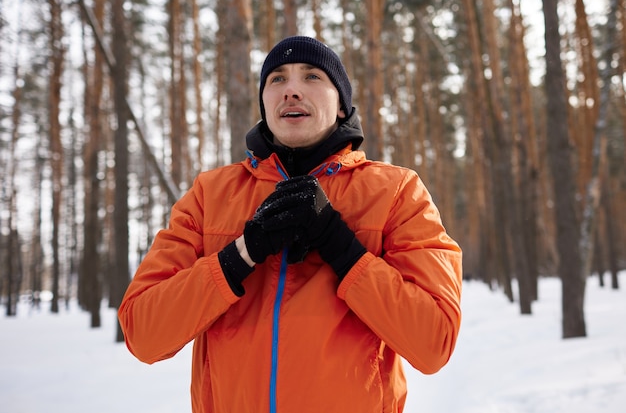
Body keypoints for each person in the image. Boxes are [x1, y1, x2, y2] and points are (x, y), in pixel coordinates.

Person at [118, 35, 462, 413]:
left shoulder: (396, 192)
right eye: (277, 79)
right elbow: (144, 334)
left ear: (342, 106)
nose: (292, 90)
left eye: (312, 77)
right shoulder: (209, 195)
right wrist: (239, 256)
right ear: (264, 102)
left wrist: (341, 247)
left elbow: (433, 342)